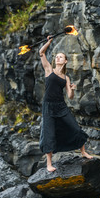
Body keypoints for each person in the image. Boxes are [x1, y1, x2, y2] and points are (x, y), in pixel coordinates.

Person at [39, 36, 93, 172]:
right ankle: (49, 164)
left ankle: (83, 152)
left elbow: (70, 96)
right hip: (48, 106)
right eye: (56, 57)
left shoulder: (66, 78)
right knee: (49, 133)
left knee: (75, 128)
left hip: (61, 106)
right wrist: (49, 42)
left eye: (61, 57)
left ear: (66, 61)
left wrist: (73, 89)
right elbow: (41, 53)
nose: (58, 58)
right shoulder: (49, 70)